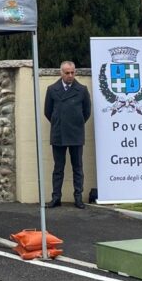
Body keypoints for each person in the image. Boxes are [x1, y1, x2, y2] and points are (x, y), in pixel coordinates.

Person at [44, 61, 92, 209]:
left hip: (76, 134)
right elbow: (48, 112)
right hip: (58, 134)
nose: (70, 75)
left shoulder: (82, 90)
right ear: (61, 73)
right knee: (58, 168)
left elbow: (86, 112)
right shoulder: (52, 89)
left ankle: (78, 197)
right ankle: (56, 197)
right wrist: (58, 122)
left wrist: (76, 122)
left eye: (72, 72)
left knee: (78, 167)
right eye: (67, 73)